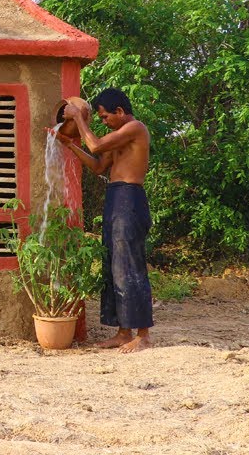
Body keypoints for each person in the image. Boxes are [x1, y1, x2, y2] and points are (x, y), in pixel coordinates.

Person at [57, 87, 153, 353]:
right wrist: (70, 144)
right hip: (115, 197)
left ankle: (142, 335)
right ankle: (123, 333)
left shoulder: (135, 128)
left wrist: (78, 117)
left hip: (130, 199)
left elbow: (96, 145)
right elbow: (99, 165)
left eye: (105, 117)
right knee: (113, 265)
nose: (104, 122)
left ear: (120, 112)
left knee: (130, 266)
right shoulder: (118, 137)